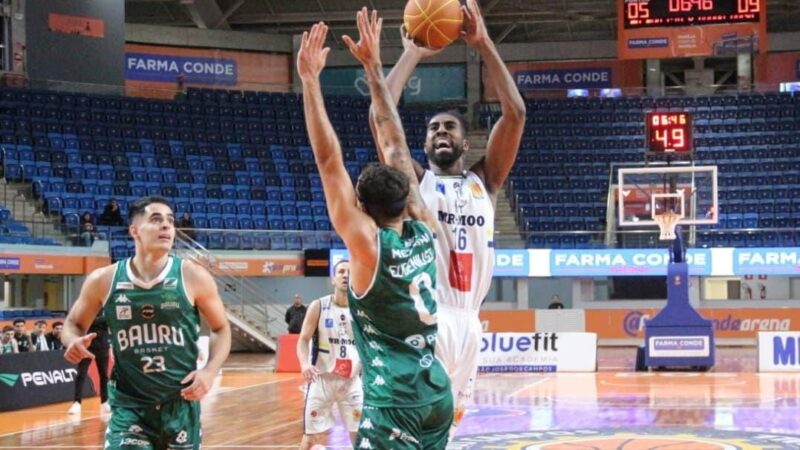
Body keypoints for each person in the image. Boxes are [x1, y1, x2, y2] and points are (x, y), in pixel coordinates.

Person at [299, 12, 452, 449]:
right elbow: (393, 143)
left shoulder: (367, 246)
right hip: (435, 390)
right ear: (407, 199)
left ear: (362, 208)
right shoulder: (425, 228)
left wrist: (311, 82)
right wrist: (372, 66)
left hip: (394, 401)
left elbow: (329, 161)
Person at [373, 0, 526, 431]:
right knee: (412, 425)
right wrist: (412, 53)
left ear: (465, 143)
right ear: (422, 146)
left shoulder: (486, 182)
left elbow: (515, 113)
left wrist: (483, 43)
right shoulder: (414, 185)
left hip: (471, 323)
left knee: (448, 429)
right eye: (433, 129)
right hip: (426, 316)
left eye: (449, 128)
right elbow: (381, 119)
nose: (441, 132)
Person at [61, 195, 231, 450]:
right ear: (134, 231)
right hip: (130, 406)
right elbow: (73, 323)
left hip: (180, 403)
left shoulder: (193, 275)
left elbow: (221, 328)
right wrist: (72, 341)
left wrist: (209, 371)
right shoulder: (104, 280)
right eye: (156, 219)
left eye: (170, 221)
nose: (166, 226)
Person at [296, 260, 362, 449]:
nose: (345, 275)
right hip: (321, 380)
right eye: (341, 271)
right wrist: (304, 364)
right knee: (309, 440)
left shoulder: (362, 311)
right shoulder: (319, 306)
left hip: (351, 382)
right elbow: (303, 339)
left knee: (359, 438)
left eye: (350, 272)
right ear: (333, 279)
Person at [68, 311, 111, 414]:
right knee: (81, 374)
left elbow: (107, 321)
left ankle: (104, 401)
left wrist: (93, 321)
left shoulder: (105, 311)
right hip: (86, 348)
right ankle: (77, 403)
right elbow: (81, 324)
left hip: (103, 348)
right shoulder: (86, 311)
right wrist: (97, 321)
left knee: (104, 375)